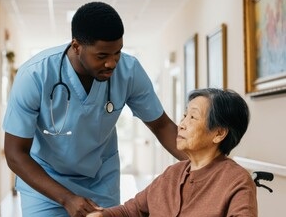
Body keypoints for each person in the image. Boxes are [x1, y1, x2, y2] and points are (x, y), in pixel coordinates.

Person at [2, 1, 185, 217]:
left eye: (117, 52)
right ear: (77, 46)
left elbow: (162, 125)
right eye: (102, 56)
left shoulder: (129, 71)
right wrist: (67, 198)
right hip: (45, 182)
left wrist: (208, 164)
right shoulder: (34, 76)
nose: (112, 63)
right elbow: (15, 153)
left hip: (100, 180)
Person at [87, 88, 258, 217]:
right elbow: (131, 210)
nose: (182, 124)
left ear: (219, 133)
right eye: (184, 115)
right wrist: (102, 215)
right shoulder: (173, 174)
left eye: (193, 117)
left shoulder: (237, 181)